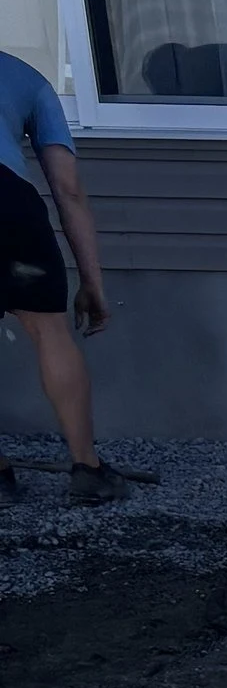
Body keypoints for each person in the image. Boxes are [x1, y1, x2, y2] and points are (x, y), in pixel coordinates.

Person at [0, 47, 126, 502]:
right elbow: (68, 190)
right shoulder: (26, 78)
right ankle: (88, 470)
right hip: (7, 204)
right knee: (48, 329)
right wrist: (92, 283)